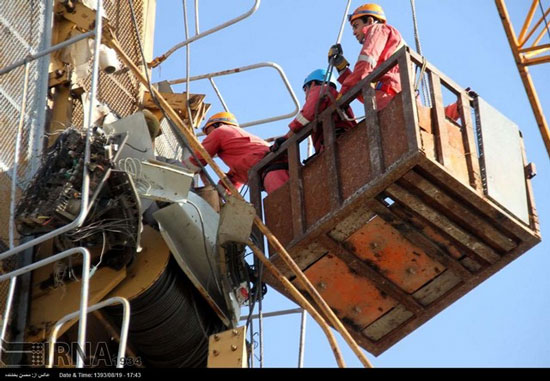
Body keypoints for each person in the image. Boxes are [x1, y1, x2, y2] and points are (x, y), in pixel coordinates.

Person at [182, 111, 289, 194]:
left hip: (273, 170)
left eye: (208, 132)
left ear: (218, 124)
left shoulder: (221, 131)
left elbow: (200, 157)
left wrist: (180, 169)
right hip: (271, 170)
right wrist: (217, 192)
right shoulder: (241, 147)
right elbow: (235, 177)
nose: (208, 137)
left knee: (285, 203)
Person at [271, 68, 356, 154]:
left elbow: (307, 114)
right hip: (347, 139)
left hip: (335, 143)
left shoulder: (320, 89)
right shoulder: (336, 97)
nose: (305, 96)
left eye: (305, 90)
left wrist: (287, 137)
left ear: (312, 83)